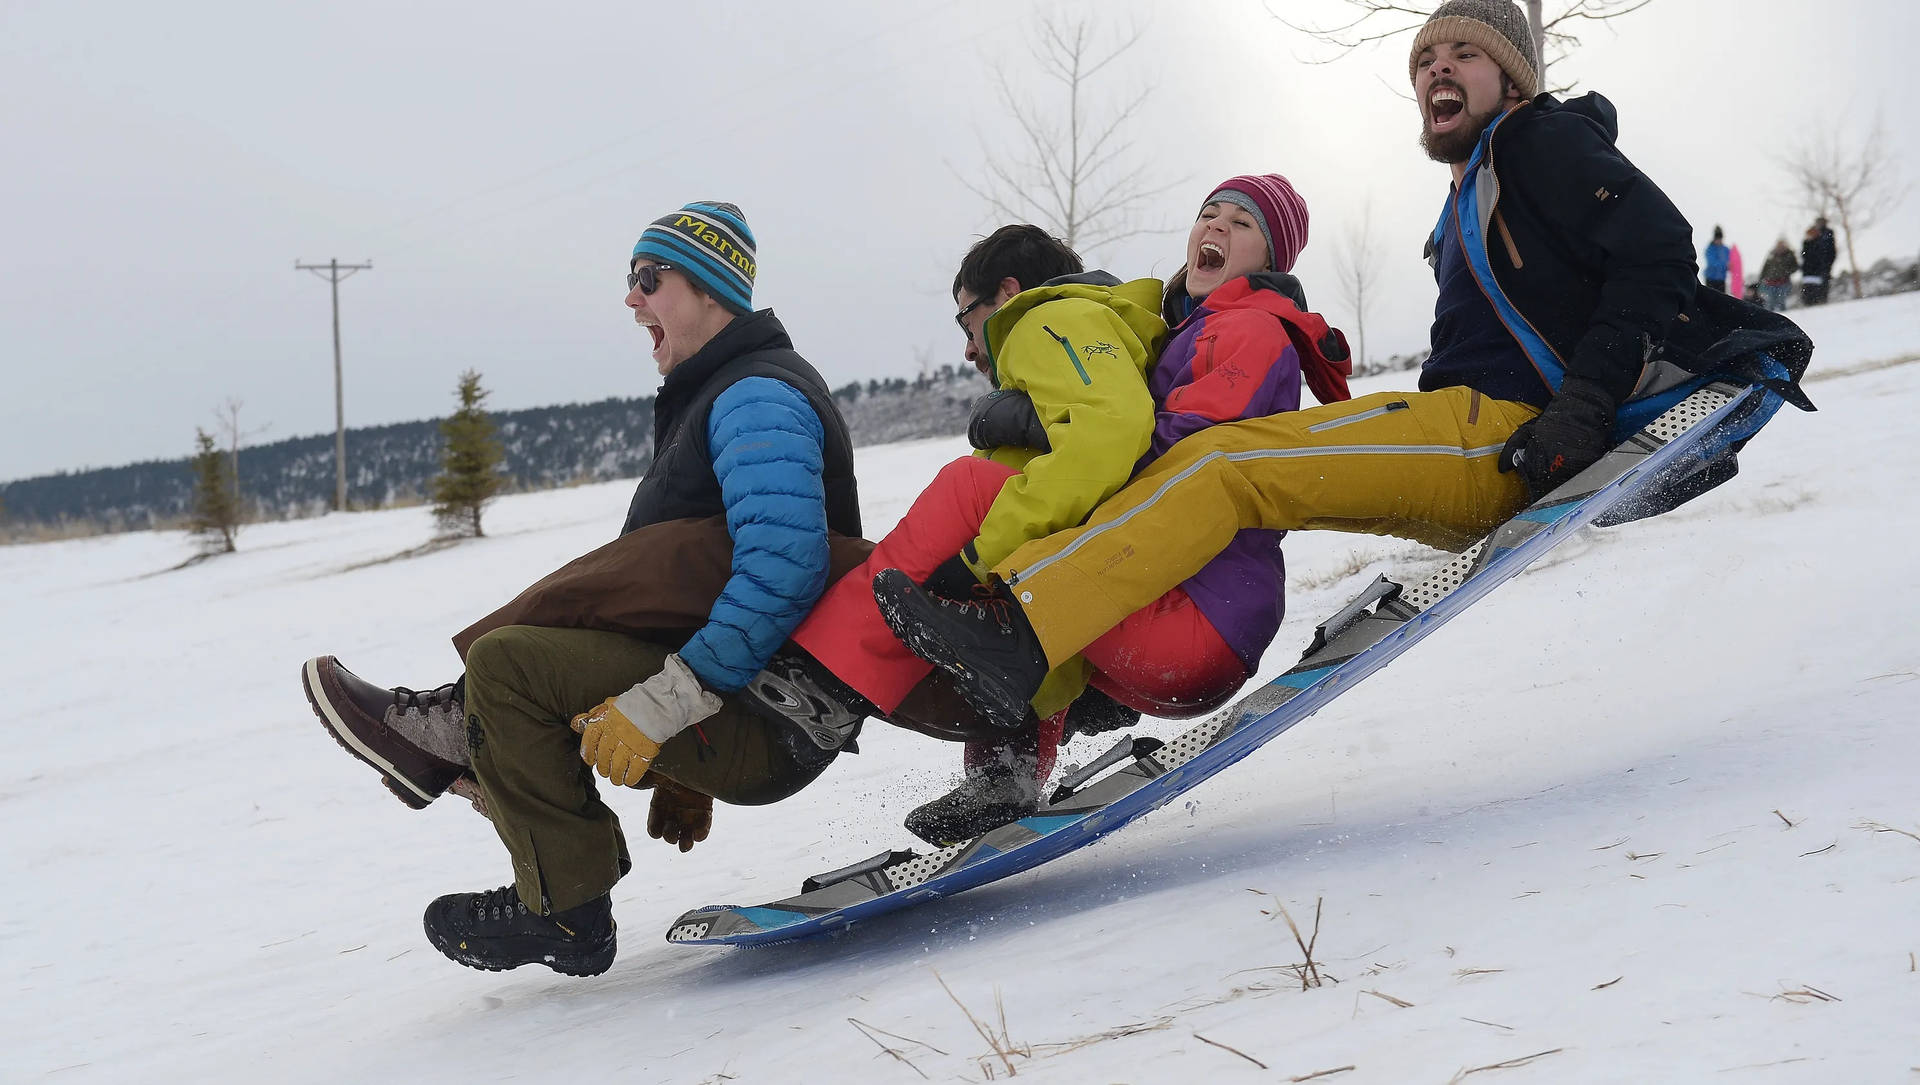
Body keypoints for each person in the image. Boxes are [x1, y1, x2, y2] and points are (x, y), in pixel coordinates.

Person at [870, 0, 1723, 732]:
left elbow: (1658, 252)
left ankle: (1026, 634)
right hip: (1474, 436)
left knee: (1226, 458)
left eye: (1464, 54)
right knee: (1233, 462)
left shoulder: (1538, 141)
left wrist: (1582, 408)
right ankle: (1055, 649)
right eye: (1425, 59)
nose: (1437, 69)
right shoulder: (1471, 193)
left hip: (1506, 432)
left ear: (1512, 78)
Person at [300, 201, 868, 976]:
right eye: (630, 279)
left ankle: (559, 902)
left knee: (510, 668)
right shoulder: (722, 393)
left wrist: (673, 700)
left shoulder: (755, 396)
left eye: (648, 278)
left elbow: (785, 567)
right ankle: (463, 745)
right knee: (527, 654)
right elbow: (693, 588)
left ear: (708, 288)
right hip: (758, 701)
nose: (631, 299)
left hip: (781, 716)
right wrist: (679, 754)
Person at [790, 180, 1352, 843]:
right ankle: (1016, 757)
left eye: (1242, 223)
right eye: (1208, 214)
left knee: (983, 498)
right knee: (1036, 525)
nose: (1217, 228)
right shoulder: (1186, 330)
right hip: (1178, 617)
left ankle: (827, 675)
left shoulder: (1246, 328)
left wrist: (973, 560)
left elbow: (1189, 460)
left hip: (1199, 616)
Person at [1800, 217, 1837, 305]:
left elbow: (1830, 252)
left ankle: (1820, 302)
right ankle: (1810, 302)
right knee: (1809, 289)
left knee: (1821, 288)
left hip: (1821, 267)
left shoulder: (1827, 234)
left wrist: (1827, 263)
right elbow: (1804, 255)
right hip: (1809, 269)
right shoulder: (1808, 242)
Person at [1759, 238, 1798, 312]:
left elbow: (1795, 267)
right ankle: (1769, 317)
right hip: (1770, 283)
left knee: (1781, 301)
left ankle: (1783, 316)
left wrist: (1786, 272)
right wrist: (1761, 279)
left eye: (1782, 244)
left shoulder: (1789, 254)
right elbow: (1765, 268)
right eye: (1778, 244)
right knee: (1770, 302)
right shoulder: (1772, 254)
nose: (1780, 246)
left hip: (1783, 282)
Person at [1704, 226, 1730, 292]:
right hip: (1711, 279)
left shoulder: (1726, 249)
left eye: (1720, 239)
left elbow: (1730, 262)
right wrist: (1725, 265)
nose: (1719, 241)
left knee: (1722, 300)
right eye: (1717, 239)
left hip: (1721, 280)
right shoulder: (1710, 249)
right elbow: (1711, 262)